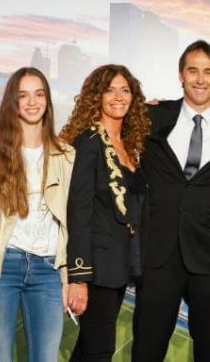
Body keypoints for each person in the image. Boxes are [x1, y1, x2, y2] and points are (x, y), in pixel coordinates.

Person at [132, 40, 210, 362]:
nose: (200, 79)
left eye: (208, 72)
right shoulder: (151, 117)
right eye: (193, 70)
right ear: (181, 75)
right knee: (147, 347)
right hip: (158, 255)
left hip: (209, 257)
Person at [0, 67, 75, 361]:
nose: (32, 102)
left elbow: (67, 224)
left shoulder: (66, 155)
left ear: (48, 101)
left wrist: (65, 278)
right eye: (23, 95)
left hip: (48, 271)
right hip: (2, 269)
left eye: (39, 94)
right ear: (12, 102)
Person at [60, 64, 150, 361]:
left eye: (125, 90)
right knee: (100, 352)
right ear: (96, 96)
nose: (118, 97)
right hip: (95, 270)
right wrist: (78, 277)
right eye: (109, 89)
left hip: (119, 267)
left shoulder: (131, 145)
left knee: (88, 351)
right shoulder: (88, 142)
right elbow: (79, 212)